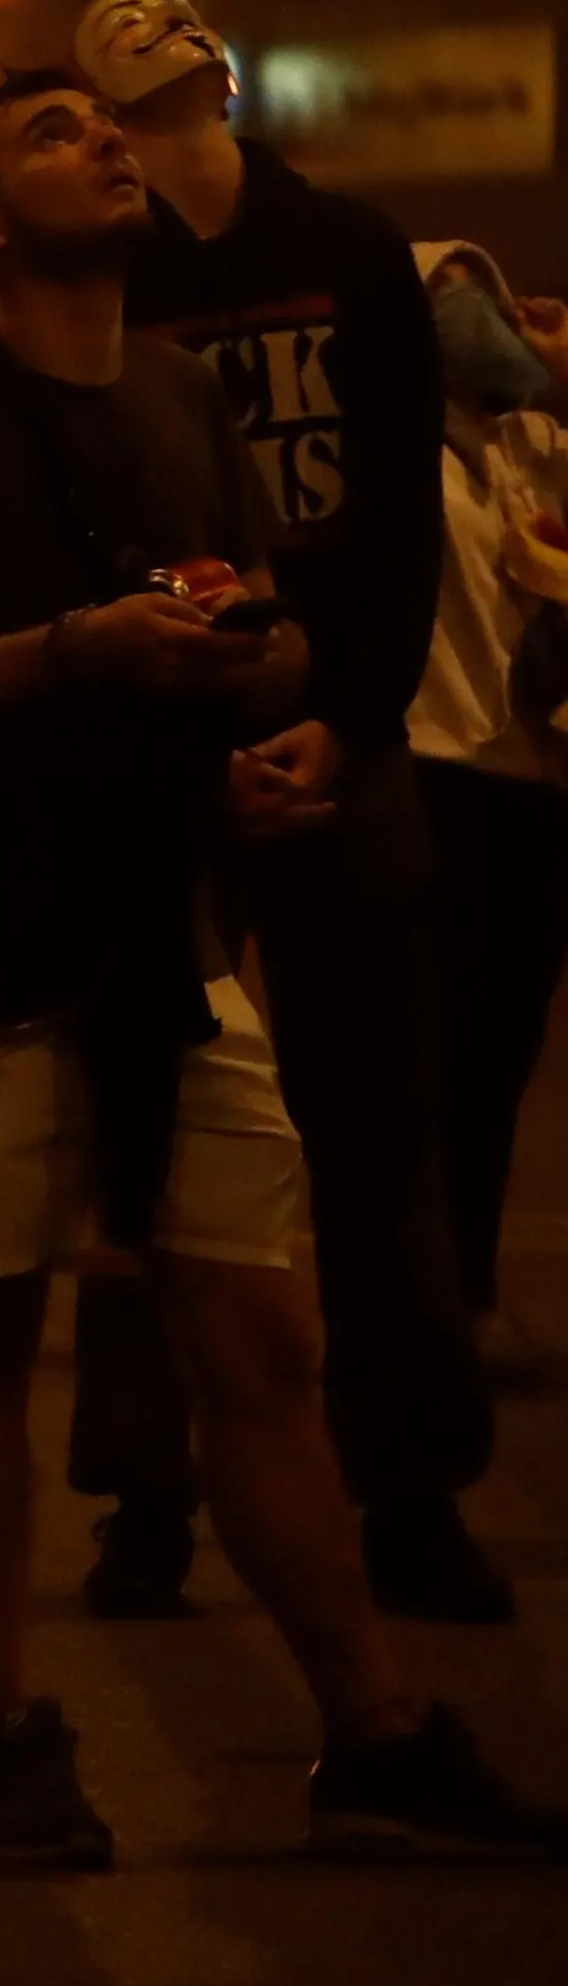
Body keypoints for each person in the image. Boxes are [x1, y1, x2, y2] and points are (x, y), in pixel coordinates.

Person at [0, 68, 563, 1869]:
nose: (100, 140)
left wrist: (278, 704)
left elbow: (259, 620)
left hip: (169, 926)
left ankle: (368, 1726)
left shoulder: (176, 394)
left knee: (262, 1337)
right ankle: (6, 1735)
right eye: (51, 130)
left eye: (105, 122)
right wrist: (67, 643)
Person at [62, 0, 505, 1625]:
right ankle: (147, 1496)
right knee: (142, 1136)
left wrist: (346, 720)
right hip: (156, 753)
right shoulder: (104, 280)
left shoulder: (347, 246)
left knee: (375, 1125)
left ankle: (408, 1493)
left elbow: (394, 521)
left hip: (337, 737)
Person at [405, 244, 568, 1388]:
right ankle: (424, 1303)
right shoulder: (385, 454)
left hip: (536, 777)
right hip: (428, 771)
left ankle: (464, 1287)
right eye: (451, 299)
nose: (487, 322)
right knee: (422, 1058)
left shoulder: (539, 446)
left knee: (497, 1058)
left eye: (494, 297)